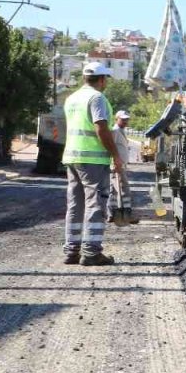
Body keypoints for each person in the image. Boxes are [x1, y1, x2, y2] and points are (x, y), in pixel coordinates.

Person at [62, 62, 122, 266]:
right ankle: (91, 252)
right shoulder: (97, 98)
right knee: (95, 204)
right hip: (93, 160)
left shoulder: (72, 98)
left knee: (75, 205)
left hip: (72, 157)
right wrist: (115, 155)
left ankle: (72, 250)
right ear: (102, 80)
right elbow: (101, 128)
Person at [107, 110, 137, 226]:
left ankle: (112, 214)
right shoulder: (115, 131)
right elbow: (111, 147)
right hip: (117, 165)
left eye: (126, 119)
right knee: (123, 189)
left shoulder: (121, 130)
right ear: (117, 119)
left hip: (120, 165)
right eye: (123, 119)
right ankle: (125, 214)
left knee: (114, 190)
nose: (125, 121)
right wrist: (114, 163)